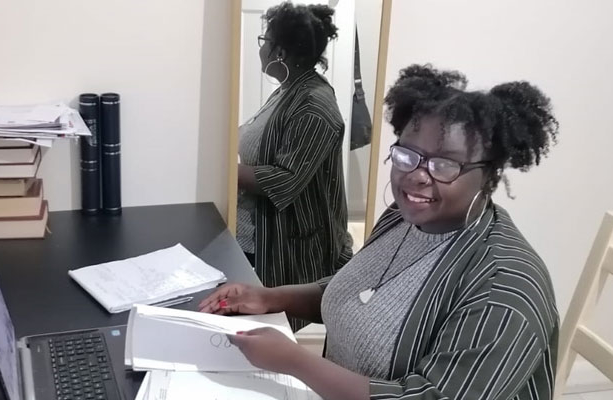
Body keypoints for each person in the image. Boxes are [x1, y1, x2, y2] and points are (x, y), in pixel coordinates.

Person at [202, 64, 560, 400]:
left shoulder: (504, 291)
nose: (418, 175)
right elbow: (360, 292)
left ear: (488, 175)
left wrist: (295, 361)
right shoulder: (405, 218)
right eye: (408, 155)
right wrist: (269, 298)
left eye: (444, 164)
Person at [236, 1, 353, 330]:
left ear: (281, 53)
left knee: (266, 332)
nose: (261, 49)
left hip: (285, 245)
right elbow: (253, 136)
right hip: (254, 236)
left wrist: (222, 173)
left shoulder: (314, 106)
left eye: (265, 41)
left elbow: (284, 180)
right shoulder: (287, 91)